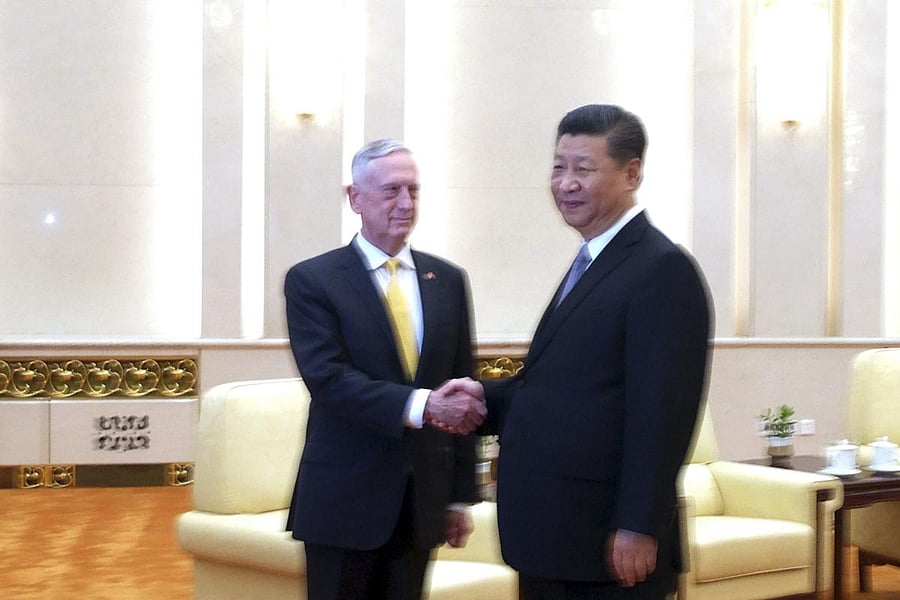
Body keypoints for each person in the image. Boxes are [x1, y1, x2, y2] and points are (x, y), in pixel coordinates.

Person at [447, 104, 713, 599]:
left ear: (632, 173)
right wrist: (485, 398)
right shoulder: (591, 262)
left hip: (608, 547)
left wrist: (639, 524)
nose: (566, 183)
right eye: (558, 166)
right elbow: (568, 388)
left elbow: (663, 414)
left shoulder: (661, 269)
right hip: (555, 537)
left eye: (584, 169)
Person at [283, 138, 487, 600]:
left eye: (414, 190)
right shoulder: (313, 280)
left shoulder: (447, 280)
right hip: (343, 502)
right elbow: (329, 380)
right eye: (391, 190)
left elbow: (461, 385)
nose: (406, 203)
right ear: (355, 198)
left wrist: (459, 495)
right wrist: (423, 405)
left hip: (421, 504)